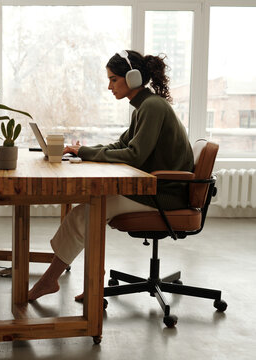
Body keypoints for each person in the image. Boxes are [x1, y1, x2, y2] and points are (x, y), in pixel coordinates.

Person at [28, 50, 194, 301]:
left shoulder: (152, 107)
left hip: (164, 194)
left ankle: (51, 280)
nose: (109, 86)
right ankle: (86, 278)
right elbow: (121, 146)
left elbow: (135, 155)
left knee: (86, 214)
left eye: (114, 79)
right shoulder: (145, 107)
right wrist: (81, 151)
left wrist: (85, 152)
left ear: (134, 78)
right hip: (155, 188)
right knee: (88, 212)